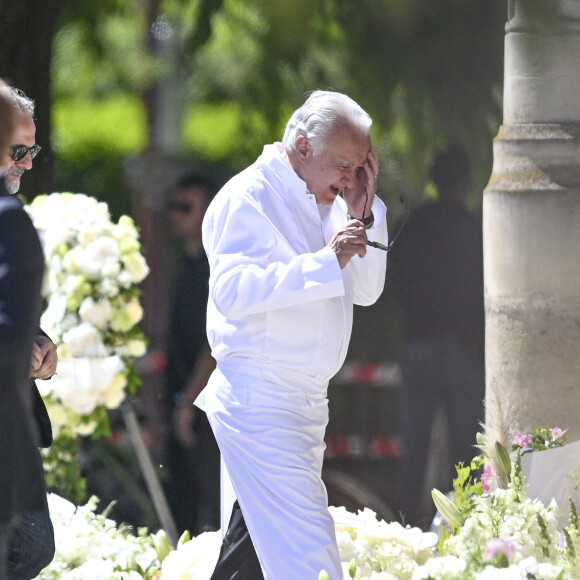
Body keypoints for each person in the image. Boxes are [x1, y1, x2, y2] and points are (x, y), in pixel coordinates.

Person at [195, 90, 388, 579]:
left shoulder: (337, 201)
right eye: (344, 165)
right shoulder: (247, 196)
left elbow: (365, 291)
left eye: (360, 167)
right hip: (261, 403)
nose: (350, 178)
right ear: (302, 148)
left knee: (250, 558)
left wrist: (363, 214)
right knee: (310, 560)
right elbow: (232, 291)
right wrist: (326, 261)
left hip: (304, 403)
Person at [391, 144, 485, 529]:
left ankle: (404, 525)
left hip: (419, 344)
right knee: (464, 450)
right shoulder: (475, 227)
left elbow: (395, 281)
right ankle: (461, 527)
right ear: (465, 182)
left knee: (413, 446)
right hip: (463, 349)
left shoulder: (414, 226)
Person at [0, 83, 56, 579]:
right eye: (19, 151)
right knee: (30, 544)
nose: (29, 163)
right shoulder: (9, 221)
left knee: (33, 545)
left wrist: (36, 344)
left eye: (32, 150)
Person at [163, 173, 220, 536]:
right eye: (173, 207)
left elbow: (215, 344)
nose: (175, 215)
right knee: (181, 505)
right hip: (183, 401)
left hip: (205, 406)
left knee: (214, 505)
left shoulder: (215, 268)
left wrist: (188, 400)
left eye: (186, 207)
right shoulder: (186, 267)